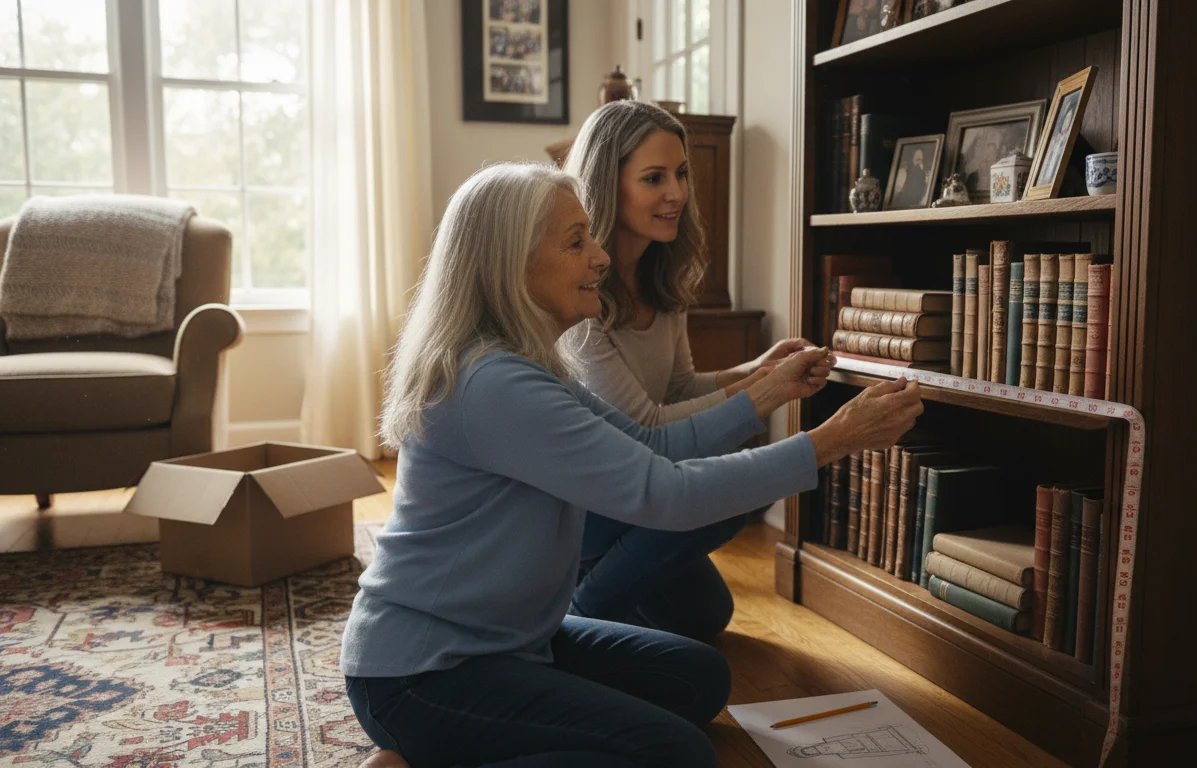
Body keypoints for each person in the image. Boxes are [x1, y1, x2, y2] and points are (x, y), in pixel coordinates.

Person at [341, 161, 924, 767]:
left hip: (513, 642)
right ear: (509, 266)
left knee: (697, 677)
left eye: (592, 236)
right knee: (675, 754)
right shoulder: (494, 383)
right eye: (576, 242)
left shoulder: (530, 365)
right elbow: (664, 493)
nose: (600, 257)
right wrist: (830, 441)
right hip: (424, 672)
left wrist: (769, 391)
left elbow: (657, 447)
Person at [561, 100, 813, 642]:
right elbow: (646, 431)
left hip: (638, 489)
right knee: (738, 490)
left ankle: (595, 582)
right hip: (580, 505)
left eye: (680, 174)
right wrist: (762, 391)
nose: (676, 192)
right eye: (654, 177)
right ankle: (582, 609)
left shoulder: (661, 277)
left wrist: (757, 368)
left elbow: (677, 388)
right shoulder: (578, 297)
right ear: (608, 184)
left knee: (704, 617)